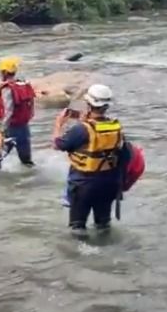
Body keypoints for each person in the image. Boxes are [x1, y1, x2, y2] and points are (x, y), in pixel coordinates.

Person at [52, 84, 134, 233]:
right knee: (103, 226)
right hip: (109, 184)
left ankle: (81, 254)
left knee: (78, 227)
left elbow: (58, 145)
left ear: (89, 104)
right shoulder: (116, 127)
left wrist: (58, 125)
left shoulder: (81, 129)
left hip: (84, 184)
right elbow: (125, 154)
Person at [0, 56, 36, 169]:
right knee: (27, 162)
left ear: (5, 72)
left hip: (10, 129)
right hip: (24, 128)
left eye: (0, 71)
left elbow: (8, 111)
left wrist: (1, 130)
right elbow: (31, 106)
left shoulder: (7, 89)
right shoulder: (23, 84)